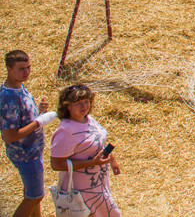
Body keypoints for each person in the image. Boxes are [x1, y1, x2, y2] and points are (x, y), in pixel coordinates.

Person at [50, 83, 121, 217]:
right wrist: (91, 163)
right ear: (67, 106)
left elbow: (99, 143)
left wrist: (112, 160)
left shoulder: (88, 120)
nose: (84, 106)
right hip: (80, 189)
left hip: (97, 183)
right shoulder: (65, 131)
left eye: (86, 101)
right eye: (79, 103)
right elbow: (56, 164)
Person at [2, 50, 56, 217]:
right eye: (21, 69)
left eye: (28, 67)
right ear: (9, 69)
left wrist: (39, 113)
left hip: (32, 152)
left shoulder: (19, 88)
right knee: (35, 197)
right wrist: (39, 122)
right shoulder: (10, 98)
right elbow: (9, 136)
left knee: (32, 195)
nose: (26, 72)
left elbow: (23, 120)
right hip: (25, 155)